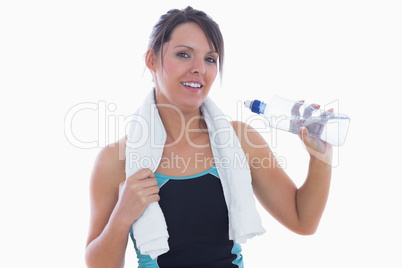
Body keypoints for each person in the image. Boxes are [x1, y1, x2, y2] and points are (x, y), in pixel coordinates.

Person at [85, 6, 333, 268]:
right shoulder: (116, 160)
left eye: (210, 59)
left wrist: (321, 157)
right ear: (151, 60)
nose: (199, 69)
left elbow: (302, 221)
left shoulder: (240, 140)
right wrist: (121, 217)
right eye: (183, 54)